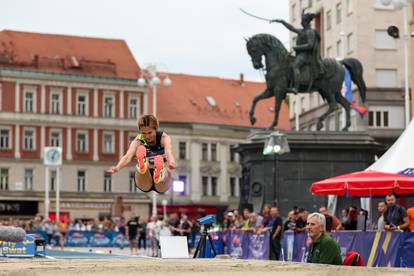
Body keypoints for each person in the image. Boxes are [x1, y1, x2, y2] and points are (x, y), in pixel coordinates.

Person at [106, 114, 177, 193]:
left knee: (164, 175)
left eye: (150, 133)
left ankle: (159, 172)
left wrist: (171, 161)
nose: (147, 136)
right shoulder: (138, 140)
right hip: (144, 180)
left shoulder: (163, 138)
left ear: (156, 129)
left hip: (162, 180)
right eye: (143, 133)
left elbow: (168, 150)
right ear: (140, 131)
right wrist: (117, 167)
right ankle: (143, 165)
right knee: (142, 171)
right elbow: (128, 156)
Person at [270, 11, 324, 93]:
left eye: (302, 21)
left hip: (307, 56)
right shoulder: (302, 31)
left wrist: (297, 47)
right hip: (301, 55)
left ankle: (296, 87)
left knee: (295, 65)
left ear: (305, 22)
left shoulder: (310, 32)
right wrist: (282, 22)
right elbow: (291, 28)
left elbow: (310, 45)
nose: (301, 22)